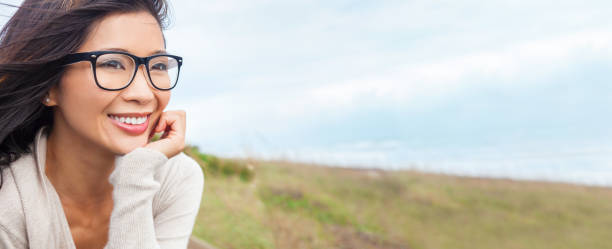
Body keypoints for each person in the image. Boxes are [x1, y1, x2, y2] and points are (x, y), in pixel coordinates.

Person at [0, 0, 204, 248]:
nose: (144, 94)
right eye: (112, 64)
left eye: (158, 65)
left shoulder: (174, 177)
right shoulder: (8, 202)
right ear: (50, 87)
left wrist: (136, 176)